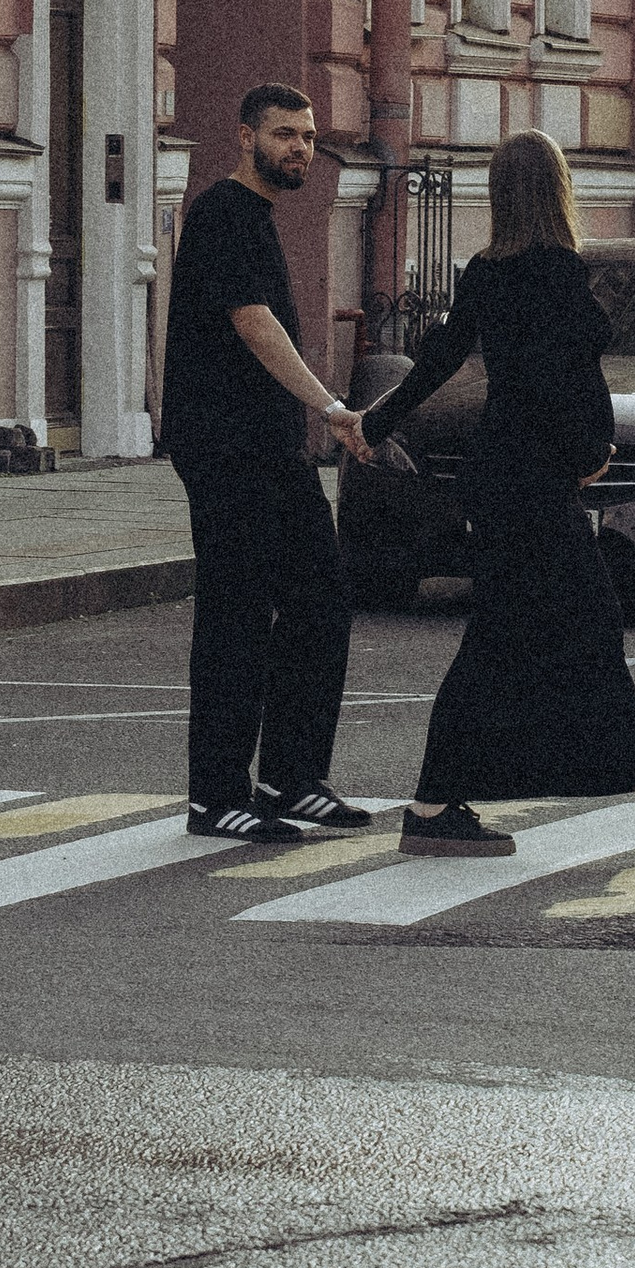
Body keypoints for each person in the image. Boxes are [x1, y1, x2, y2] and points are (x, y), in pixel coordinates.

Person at [355, 132, 635, 862]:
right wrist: (590, 452)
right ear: (558, 189)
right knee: (583, 624)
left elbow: (440, 359)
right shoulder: (558, 271)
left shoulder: (487, 271)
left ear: (505, 195)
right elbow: (572, 381)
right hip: (538, 482)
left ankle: (442, 805)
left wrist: (374, 420)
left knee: (505, 637)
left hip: (501, 476)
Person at [159, 81, 371, 845]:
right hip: (224, 449)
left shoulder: (258, 217)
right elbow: (255, 326)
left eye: (309, 137)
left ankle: (290, 776)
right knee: (237, 620)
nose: (300, 149)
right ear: (244, 136)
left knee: (321, 601)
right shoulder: (221, 214)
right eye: (285, 135)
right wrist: (331, 406)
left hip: (271, 449)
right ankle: (215, 795)